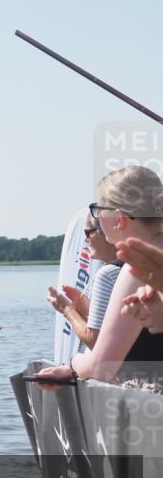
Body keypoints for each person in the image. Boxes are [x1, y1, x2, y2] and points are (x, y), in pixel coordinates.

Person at [36, 166, 163, 388]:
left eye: (98, 209)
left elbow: (101, 368)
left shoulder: (136, 268)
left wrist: (73, 363)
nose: (97, 218)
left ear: (120, 218)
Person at [46, 214, 121, 349]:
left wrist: (67, 310)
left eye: (88, 233)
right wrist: (88, 311)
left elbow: (95, 341)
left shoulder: (107, 274)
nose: (85, 240)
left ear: (105, 232)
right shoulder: (136, 266)